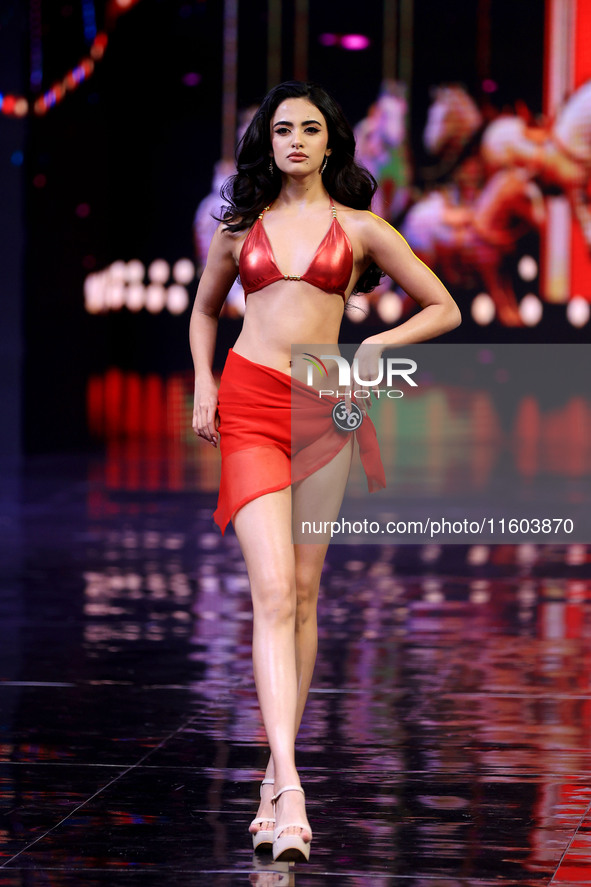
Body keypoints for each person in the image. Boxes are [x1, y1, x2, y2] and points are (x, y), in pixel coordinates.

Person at [190, 80, 461, 863]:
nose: (296, 141)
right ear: (267, 142)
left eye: (311, 128)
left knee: (304, 595)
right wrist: (205, 383)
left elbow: (440, 304)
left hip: (326, 408)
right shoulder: (238, 228)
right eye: (283, 130)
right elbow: (204, 309)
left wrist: (375, 348)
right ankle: (290, 782)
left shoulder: (363, 227)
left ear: (331, 142)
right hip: (247, 403)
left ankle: (275, 778)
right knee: (272, 591)